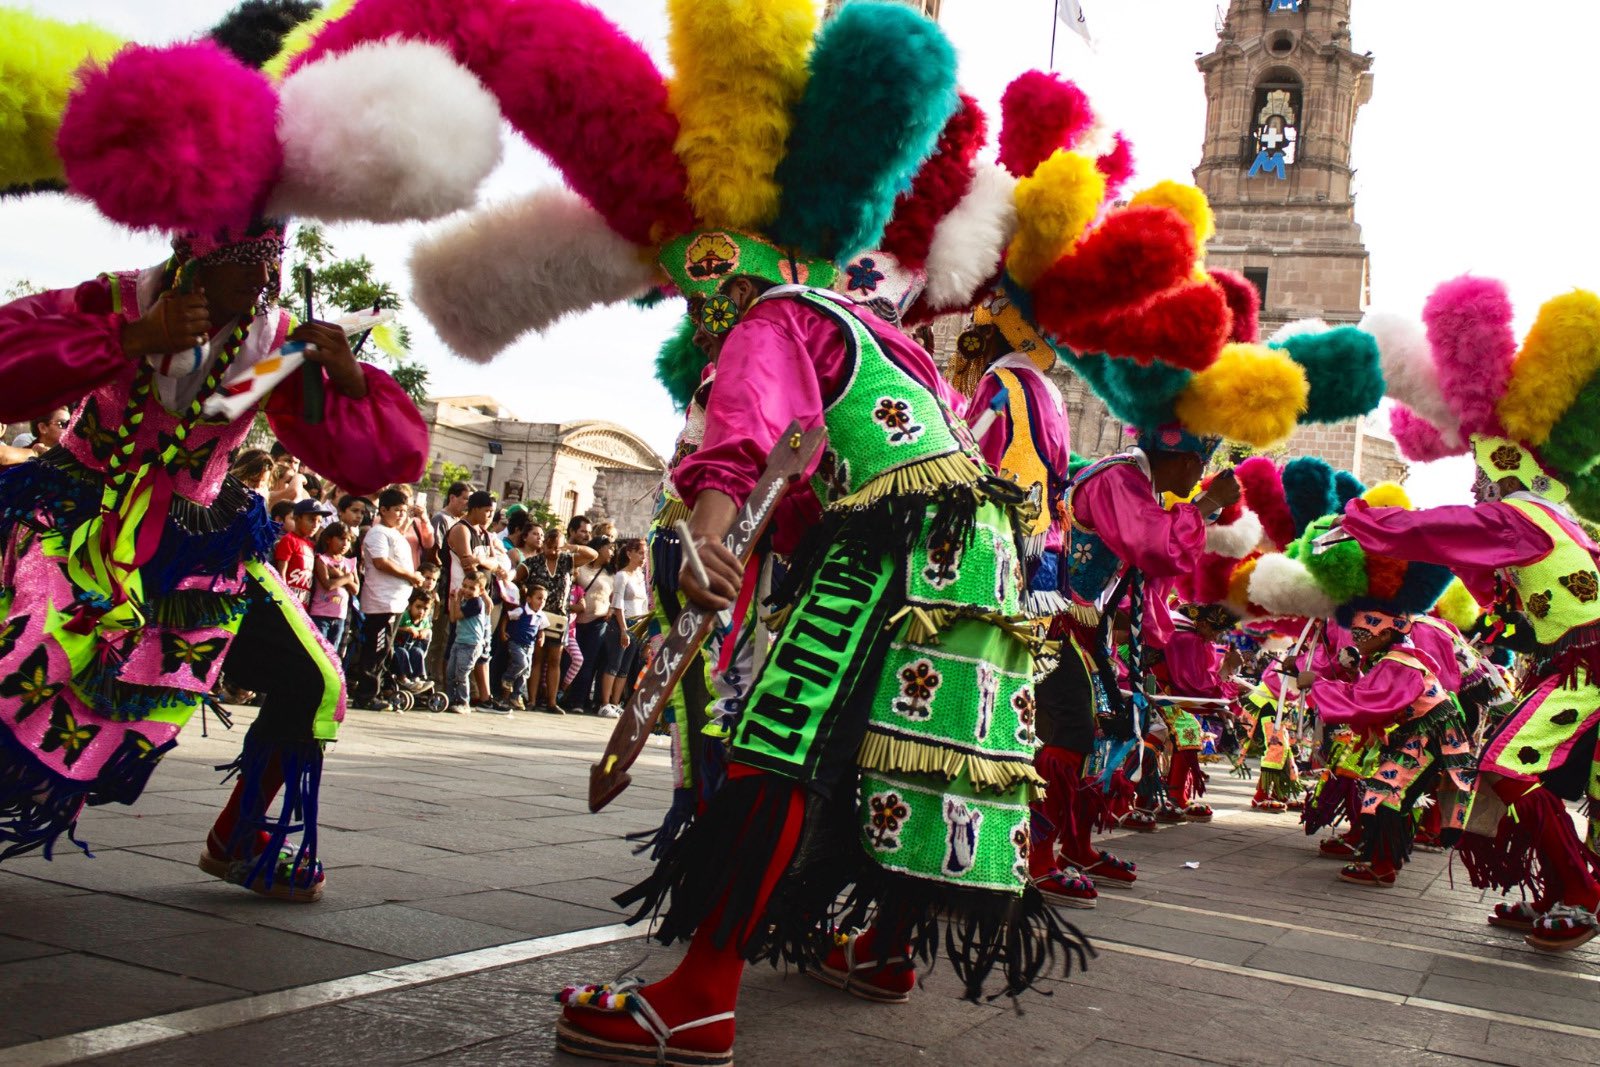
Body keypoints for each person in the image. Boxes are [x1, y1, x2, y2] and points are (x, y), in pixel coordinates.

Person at [353, 488, 429, 707]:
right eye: (396, 510)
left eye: (404, 511)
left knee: (386, 650)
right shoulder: (378, 533)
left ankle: (381, 690)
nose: (401, 515)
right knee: (376, 650)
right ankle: (366, 696)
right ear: (383, 510)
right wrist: (410, 575)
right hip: (380, 602)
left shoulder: (396, 533)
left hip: (395, 602)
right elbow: (380, 562)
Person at [522, 525, 597, 713]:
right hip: (539, 615)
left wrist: (573, 548)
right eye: (550, 547)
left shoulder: (566, 561)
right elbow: (518, 578)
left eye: (557, 547)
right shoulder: (534, 562)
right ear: (544, 545)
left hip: (559, 616)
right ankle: (531, 699)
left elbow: (593, 555)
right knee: (538, 658)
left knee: (555, 659)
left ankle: (552, 701)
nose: (553, 551)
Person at [597, 537, 649, 718]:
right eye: (640, 553)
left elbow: (645, 603)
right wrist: (623, 629)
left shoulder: (641, 576)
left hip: (637, 623)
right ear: (629, 553)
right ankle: (604, 703)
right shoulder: (622, 575)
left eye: (645, 553)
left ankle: (615, 701)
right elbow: (617, 603)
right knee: (614, 663)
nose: (643, 557)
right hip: (622, 622)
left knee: (625, 666)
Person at [567, 535, 616, 714]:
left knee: (588, 662)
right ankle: (563, 695)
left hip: (598, 621)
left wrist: (610, 610)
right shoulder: (581, 567)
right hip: (575, 620)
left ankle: (579, 700)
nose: (612, 552)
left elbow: (614, 598)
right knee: (570, 659)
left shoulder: (611, 574)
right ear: (599, 548)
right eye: (609, 548)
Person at [446, 571, 493, 715]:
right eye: (464, 586)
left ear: (481, 591)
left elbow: (458, 615)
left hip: (471, 645)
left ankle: (463, 702)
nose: (466, 590)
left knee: (461, 673)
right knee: (450, 672)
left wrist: (458, 600)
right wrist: (456, 600)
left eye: (472, 588)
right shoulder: (465, 601)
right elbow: (453, 618)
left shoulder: (476, 603)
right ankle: (451, 699)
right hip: (459, 641)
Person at [275, 498, 332, 606]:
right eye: (311, 520)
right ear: (297, 518)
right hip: (286, 603)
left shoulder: (311, 545)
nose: (315, 525)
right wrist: (283, 599)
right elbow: (280, 574)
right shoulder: (289, 540)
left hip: (303, 603)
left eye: (319, 521)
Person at [309, 522, 357, 650]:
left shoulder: (350, 563)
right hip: (320, 614)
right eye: (341, 539)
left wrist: (339, 575)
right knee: (318, 650)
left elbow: (355, 589)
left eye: (348, 540)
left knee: (332, 652)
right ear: (328, 539)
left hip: (340, 615)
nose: (345, 543)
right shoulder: (322, 559)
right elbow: (328, 585)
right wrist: (347, 578)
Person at [500, 582, 547, 711]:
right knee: (522, 664)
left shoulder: (541, 615)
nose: (542, 602)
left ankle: (516, 696)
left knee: (525, 673)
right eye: (539, 598)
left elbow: (541, 629)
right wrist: (503, 632)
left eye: (544, 599)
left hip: (529, 646)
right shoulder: (521, 610)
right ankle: (507, 678)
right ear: (528, 599)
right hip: (516, 643)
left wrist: (541, 637)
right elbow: (507, 617)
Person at [392, 590, 435, 693]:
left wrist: (425, 631)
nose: (421, 611)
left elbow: (428, 629)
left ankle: (416, 678)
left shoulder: (424, 620)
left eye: (425, 609)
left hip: (411, 648)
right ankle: (402, 679)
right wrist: (406, 629)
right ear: (411, 605)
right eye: (418, 607)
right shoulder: (404, 616)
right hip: (397, 648)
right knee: (402, 652)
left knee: (417, 652)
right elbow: (394, 628)